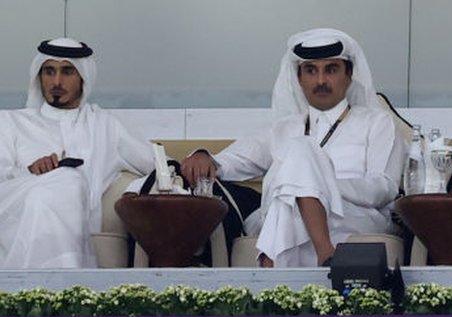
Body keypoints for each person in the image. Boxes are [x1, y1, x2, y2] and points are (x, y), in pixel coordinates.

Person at [180, 28, 404, 267]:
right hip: (287, 212)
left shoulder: (376, 123)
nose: (320, 81)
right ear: (299, 78)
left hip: (353, 215)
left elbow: (385, 188)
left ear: (349, 75)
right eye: (311, 70)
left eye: (331, 69)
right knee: (293, 177)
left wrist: (321, 186)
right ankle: (326, 257)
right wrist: (203, 155)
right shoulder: (283, 129)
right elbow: (231, 161)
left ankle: (270, 286)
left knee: (297, 161)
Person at [0, 38, 153, 268]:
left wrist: (199, 157)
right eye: (49, 72)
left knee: (69, 180)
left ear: (83, 77)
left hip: (80, 221)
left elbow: (157, 165)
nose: (57, 81)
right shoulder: (11, 122)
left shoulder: (105, 126)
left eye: (67, 71)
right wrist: (28, 172)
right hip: (17, 214)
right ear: (38, 76)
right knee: (65, 181)